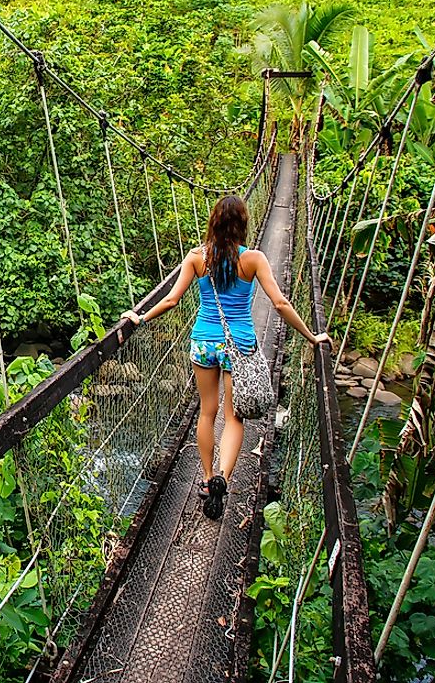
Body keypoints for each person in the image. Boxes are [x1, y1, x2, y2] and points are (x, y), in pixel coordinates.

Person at [122, 195, 330, 519]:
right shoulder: (255, 259)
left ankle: (206, 479)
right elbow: (280, 304)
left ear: (213, 222)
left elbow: (172, 300)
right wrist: (312, 336)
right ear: (243, 224)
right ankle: (223, 477)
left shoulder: (195, 258)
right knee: (234, 418)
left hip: (204, 343)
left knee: (207, 412)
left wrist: (140, 316)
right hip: (241, 345)